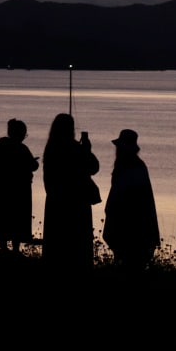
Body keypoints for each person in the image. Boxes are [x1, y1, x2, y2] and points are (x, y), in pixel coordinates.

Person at [41, 113, 100, 271]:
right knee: (76, 244)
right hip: (76, 203)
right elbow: (93, 167)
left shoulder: (50, 148)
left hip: (55, 202)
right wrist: (87, 149)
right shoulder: (74, 148)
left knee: (56, 243)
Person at [102, 129, 160, 270]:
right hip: (132, 226)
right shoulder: (133, 166)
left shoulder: (132, 167)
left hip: (132, 226)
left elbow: (128, 199)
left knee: (130, 264)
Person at [0, 118, 39, 255]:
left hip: (4, 189)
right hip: (20, 191)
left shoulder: (1, 146)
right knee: (18, 219)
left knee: (4, 218)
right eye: (24, 134)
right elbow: (34, 166)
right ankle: (15, 249)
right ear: (20, 134)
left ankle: (3, 248)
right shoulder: (22, 149)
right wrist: (33, 162)